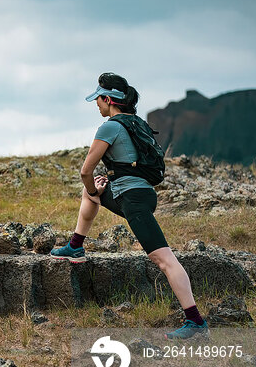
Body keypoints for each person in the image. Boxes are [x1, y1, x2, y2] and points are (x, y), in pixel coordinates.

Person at [50, 72, 208, 340]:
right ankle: (75, 246)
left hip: (133, 200)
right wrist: (97, 191)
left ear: (108, 99)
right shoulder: (137, 123)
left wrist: (93, 186)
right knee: (90, 195)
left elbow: (85, 171)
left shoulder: (109, 127)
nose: (96, 105)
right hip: (141, 193)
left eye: (98, 100)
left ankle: (196, 322)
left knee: (164, 260)